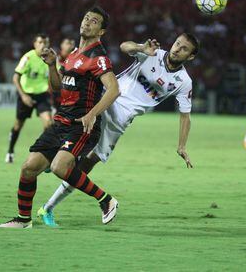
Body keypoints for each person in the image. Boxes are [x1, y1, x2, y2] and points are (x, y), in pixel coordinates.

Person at [37, 33, 199, 227]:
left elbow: (185, 115)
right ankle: (54, 156)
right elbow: (124, 46)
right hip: (107, 99)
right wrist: (140, 48)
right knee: (74, 125)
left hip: (121, 120)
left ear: (190, 57)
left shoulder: (184, 82)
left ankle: (47, 208)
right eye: (177, 43)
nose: (177, 49)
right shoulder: (153, 53)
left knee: (86, 166)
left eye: (184, 49)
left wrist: (182, 146)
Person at [0, 6, 120, 229]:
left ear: (101, 31)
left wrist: (92, 114)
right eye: (86, 18)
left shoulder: (98, 58)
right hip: (60, 122)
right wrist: (52, 65)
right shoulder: (73, 55)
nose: (87, 22)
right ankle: (24, 220)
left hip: (81, 126)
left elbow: (113, 89)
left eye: (94, 21)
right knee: (28, 168)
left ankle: (106, 200)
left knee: (59, 167)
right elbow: (57, 88)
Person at [5, 34, 53, 164]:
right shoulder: (28, 57)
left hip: (42, 95)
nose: (44, 45)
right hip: (26, 94)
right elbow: (15, 78)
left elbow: (57, 75)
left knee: (49, 124)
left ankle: (44, 153)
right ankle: (10, 151)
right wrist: (23, 95)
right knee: (18, 125)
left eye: (46, 42)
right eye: (41, 42)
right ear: (35, 44)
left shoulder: (51, 58)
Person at [51, 38, 76, 112]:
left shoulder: (76, 60)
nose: (71, 45)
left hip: (71, 98)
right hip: (55, 97)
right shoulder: (54, 59)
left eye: (72, 43)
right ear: (61, 45)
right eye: (68, 43)